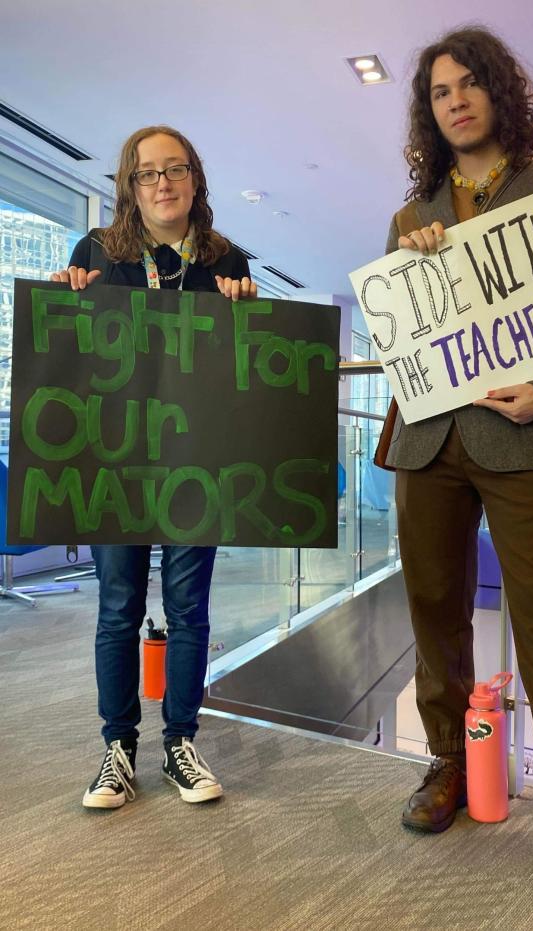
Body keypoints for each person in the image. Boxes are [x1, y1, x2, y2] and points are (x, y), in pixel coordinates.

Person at [371, 27, 533, 920]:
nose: (456, 100)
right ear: (429, 114)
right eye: (440, 92)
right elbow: (402, 325)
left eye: (470, 84)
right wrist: (416, 265)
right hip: (431, 441)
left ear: (499, 93)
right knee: (434, 606)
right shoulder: (414, 216)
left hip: (525, 434)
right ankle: (446, 761)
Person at [52, 125, 256, 810]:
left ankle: (179, 743)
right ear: (129, 187)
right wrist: (65, 300)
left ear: (195, 179)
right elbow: (72, 362)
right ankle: (117, 749)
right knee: (117, 607)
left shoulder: (228, 261)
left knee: (190, 609)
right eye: (147, 173)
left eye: (175, 169)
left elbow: (248, 373)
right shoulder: (95, 255)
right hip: (116, 459)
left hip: (197, 462)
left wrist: (249, 315)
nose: (162, 183)